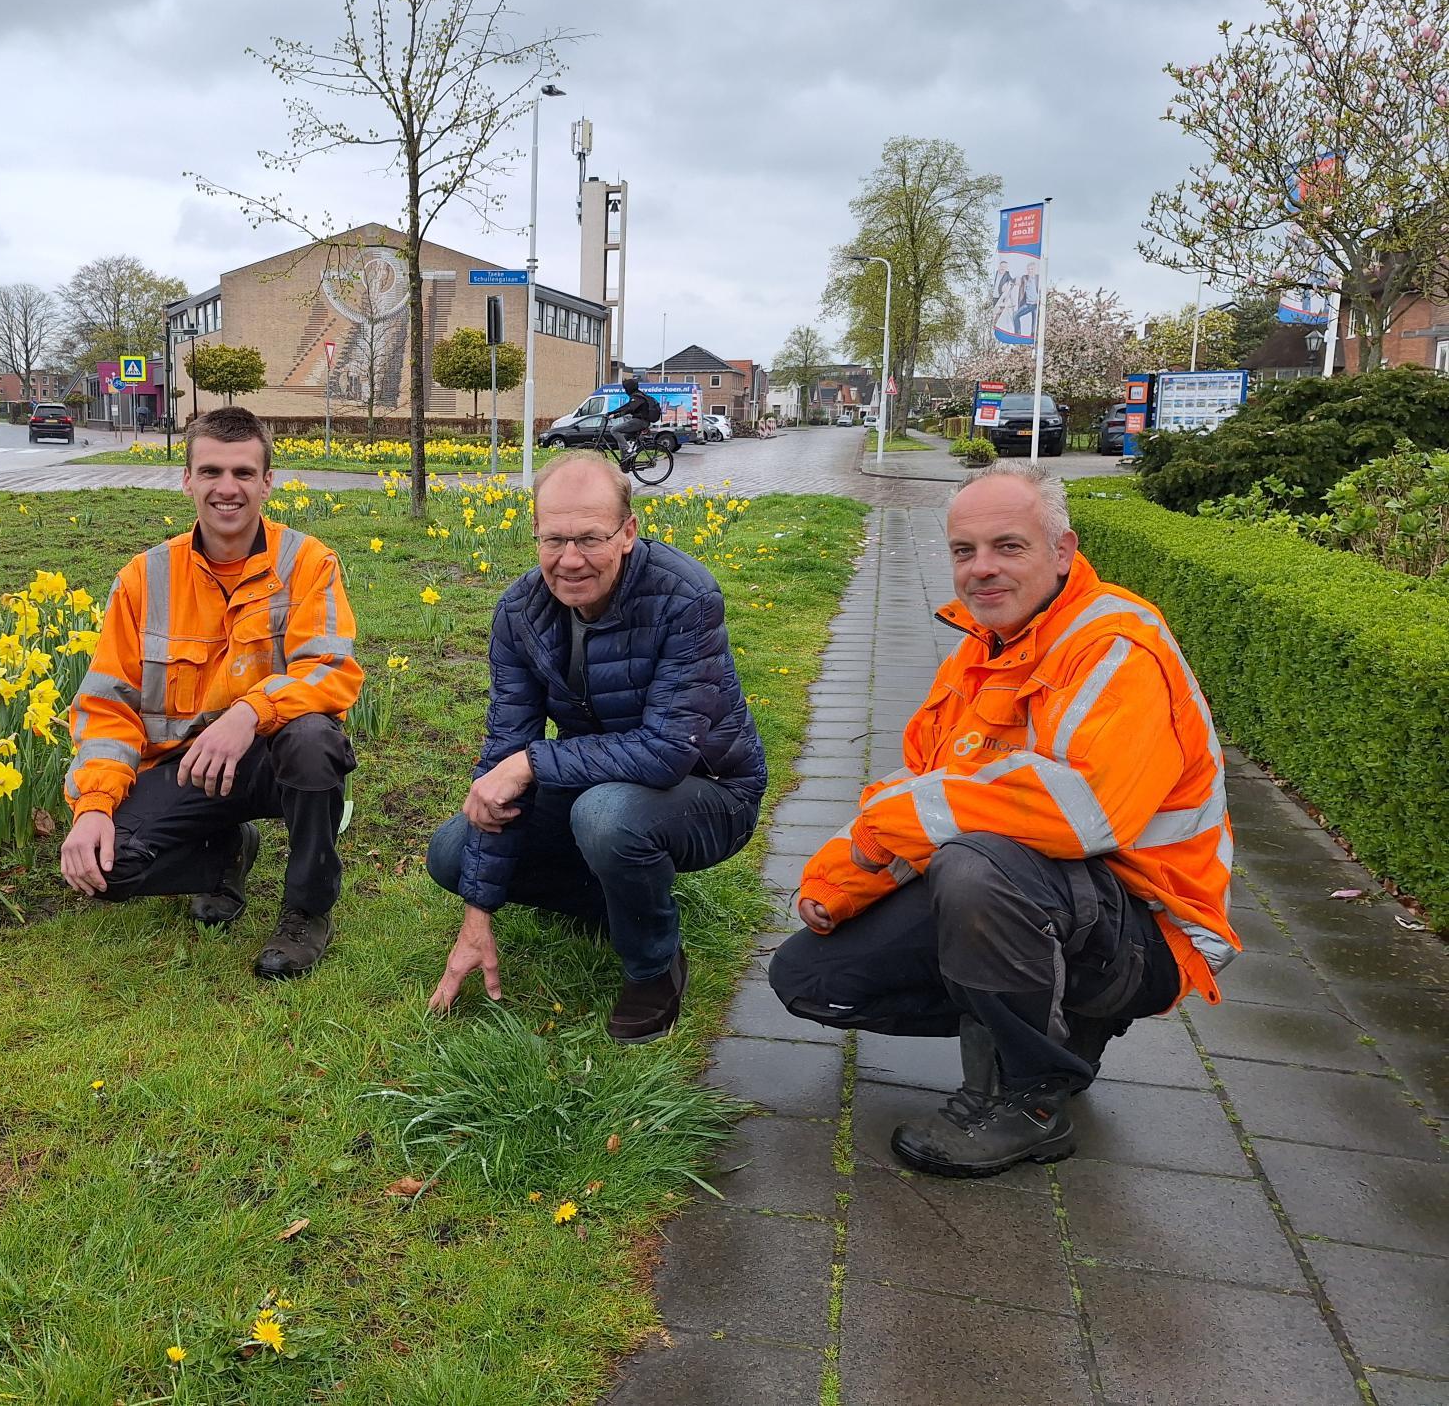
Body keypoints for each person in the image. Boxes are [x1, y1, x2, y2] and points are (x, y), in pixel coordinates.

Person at [769, 462, 1237, 1178]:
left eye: (1007, 547)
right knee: (810, 978)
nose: (981, 569)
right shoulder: (977, 655)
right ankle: (1056, 1025)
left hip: (1150, 928)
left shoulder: (1114, 646)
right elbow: (928, 796)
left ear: (1062, 551)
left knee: (977, 868)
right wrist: (840, 882)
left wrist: (887, 822)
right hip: (1056, 909)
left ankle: (1029, 1100)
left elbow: (1085, 813)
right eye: (964, 551)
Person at [425, 452, 767, 1042]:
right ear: (534, 533)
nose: (570, 559)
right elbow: (506, 745)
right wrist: (476, 918)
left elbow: (665, 753)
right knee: (452, 852)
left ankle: (655, 965)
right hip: (602, 779)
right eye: (554, 539)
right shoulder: (519, 612)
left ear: (628, 532)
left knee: (605, 816)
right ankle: (610, 901)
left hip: (710, 791)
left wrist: (530, 763)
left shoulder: (685, 598)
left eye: (590, 538)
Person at [60, 406, 363, 979]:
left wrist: (250, 713)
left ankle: (307, 908)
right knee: (109, 867)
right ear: (187, 480)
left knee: (315, 739)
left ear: (267, 482)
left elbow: (331, 670)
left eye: (244, 473)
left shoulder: (307, 563)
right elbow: (107, 704)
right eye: (212, 472)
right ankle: (224, 853)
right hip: (185, 767)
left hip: (272, 757)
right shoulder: (145, 577)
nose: (228, 488)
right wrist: (93, 806)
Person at [606, 373, 662, 462]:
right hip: (642, 422)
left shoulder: (636, 397)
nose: (625, 391)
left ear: (629, 388)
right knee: (621, 438)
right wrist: (613, 413)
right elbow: (627, 407)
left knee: (614, 430)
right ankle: (625, 460)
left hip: (639, 422)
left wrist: (613, 414)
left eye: (625, 389)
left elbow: (628, 408)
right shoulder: (638, 395)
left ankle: (629, 451)